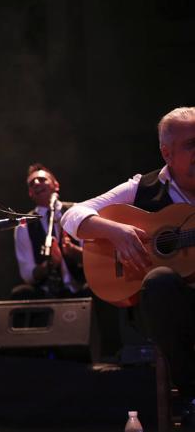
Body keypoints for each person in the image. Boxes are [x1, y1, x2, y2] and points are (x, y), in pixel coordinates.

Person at [61, 107, 195, 419]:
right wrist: (116, 231)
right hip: (173, 312)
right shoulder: (141, 188)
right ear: (167, 153)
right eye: (191, 145)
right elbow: (72, 215)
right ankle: (193, 396)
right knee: (159, 280)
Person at [11, 163, 89, 299]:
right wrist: (49, 265)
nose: (36, 183)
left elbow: (96, 257)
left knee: (98, 289)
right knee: (20, 293)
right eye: (31, 184)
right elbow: (27, 273)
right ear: (30, 193)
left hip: (81, 285)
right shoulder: (23, 226)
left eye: (42, 180)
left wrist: (73, 252)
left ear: (56, 185)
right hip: (47, 291)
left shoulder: (76, 211)